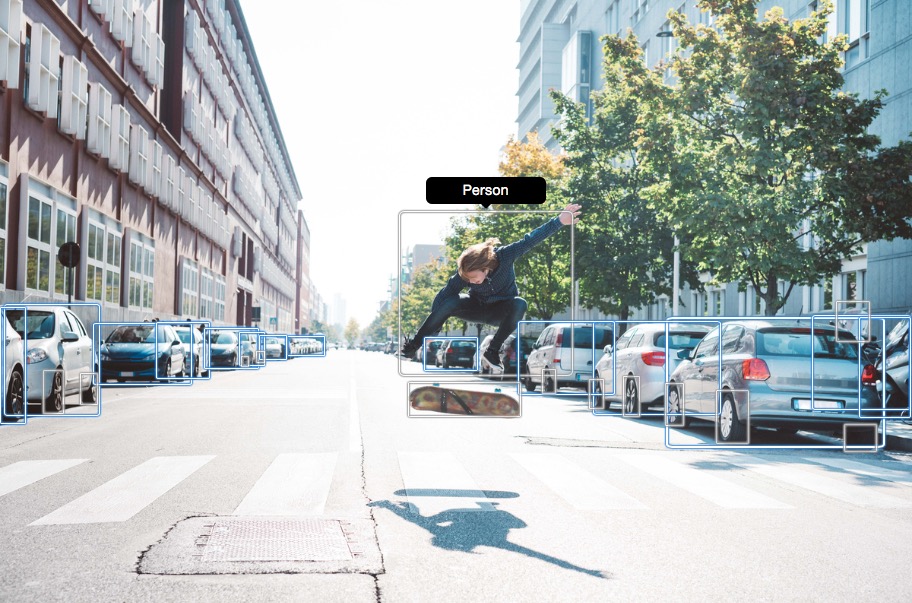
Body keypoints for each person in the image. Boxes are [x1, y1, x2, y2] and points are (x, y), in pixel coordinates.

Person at [400, 203, 581, 370]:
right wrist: (435, 326)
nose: (470, 282)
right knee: (450, 300)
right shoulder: (465, 275)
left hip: (500, 312)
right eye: (468, 280)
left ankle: (492, 351)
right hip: (476, 308)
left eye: (474, 278)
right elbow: (442, 297)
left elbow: (530, 240)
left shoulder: (505, 256)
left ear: (484, 267)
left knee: (520, 303)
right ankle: (414, 343)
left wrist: (558, 221)